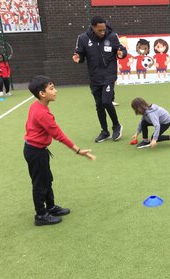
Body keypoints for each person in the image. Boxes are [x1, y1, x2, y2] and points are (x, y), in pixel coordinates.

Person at [24, 76, 96, 226]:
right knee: (40, 183)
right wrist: (78, 150)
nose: (55, 90)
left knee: (47, 179)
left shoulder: (36, 106)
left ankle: (50, 207)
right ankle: (41, 215)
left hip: (37, 150)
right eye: (51, 88)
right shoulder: (43, 114)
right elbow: (59, 135)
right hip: (35, 152)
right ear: (42, 94)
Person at [73, 16, 127, 143]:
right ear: (93, 27)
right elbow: (80, 54)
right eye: (100, 30)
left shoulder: (112, 36)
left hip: (109, 75)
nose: (103, 32)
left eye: (104, 29)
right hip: (94, 77)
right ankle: (105, 131)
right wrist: (78, 58)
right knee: (99, 105)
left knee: (107, 101)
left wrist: (122, 54)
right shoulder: (83, 38)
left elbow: (121, 50)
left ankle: (116, 126)